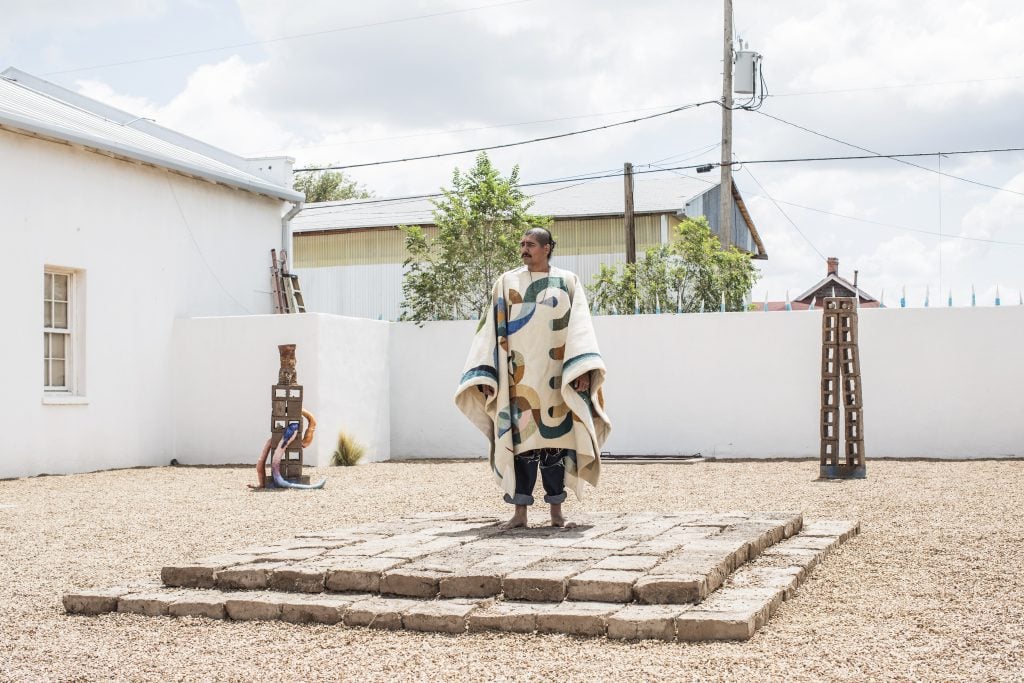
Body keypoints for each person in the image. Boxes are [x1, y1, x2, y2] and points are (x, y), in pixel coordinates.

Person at [455, 227, 611, 529]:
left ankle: (556, 513)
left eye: (531, 244)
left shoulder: (568, 282)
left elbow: (581, 330)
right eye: (522, 244)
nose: (524, 249)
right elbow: (490, 329)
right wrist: (489, 373)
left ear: (548, 247)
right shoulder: (506, 283)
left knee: (555, 447)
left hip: (556, 379)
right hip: (517, 380)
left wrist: (583, 372)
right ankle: (520, 514)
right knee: (521, 447)